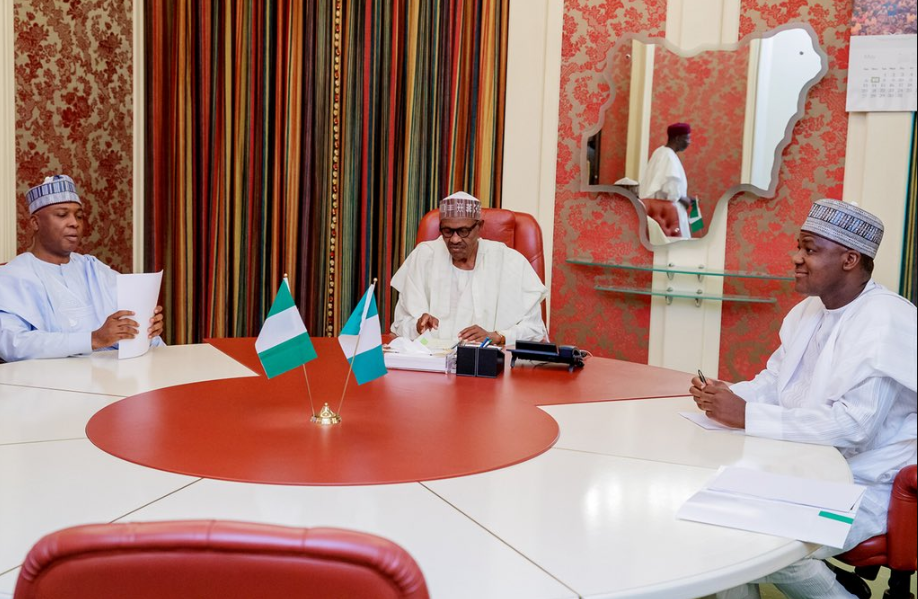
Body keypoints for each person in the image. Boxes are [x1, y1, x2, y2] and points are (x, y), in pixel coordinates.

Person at [690, 199, 917, 599]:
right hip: (802, 471)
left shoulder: (884, 321)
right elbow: (775, 381)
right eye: (799, 247)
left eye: (810, 250)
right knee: (717, 522)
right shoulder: (807, 313)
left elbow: (855, 428)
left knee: (764, 545)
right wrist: (725, 395)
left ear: (849, 258)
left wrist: (747, 416)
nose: (795, 258)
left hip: (861, 484)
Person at [0, 175, 165, 362]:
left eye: (79, 216)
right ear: (35, 223)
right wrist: (93, 339)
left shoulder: (93, 268)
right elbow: (13, 344)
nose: (74, 223)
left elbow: (129, 318)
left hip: (113, 378)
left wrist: (146, 329)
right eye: (62, 215)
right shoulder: (12, 276)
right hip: (50, 384)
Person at [390, 191, 548, 345]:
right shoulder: (423, 257)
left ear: (479, 227)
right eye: (447, 231)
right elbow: (399, 324)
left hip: (488, 364)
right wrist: (417, 326)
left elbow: (534, 330)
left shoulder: (509, 261)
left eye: (463, 231)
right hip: (432, 362)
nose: (455, 239)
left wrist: (497, 336)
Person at [639, 122, 697, 239]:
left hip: (661, 212)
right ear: (677, 138)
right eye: (687, 138)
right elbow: (670, 192)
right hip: (668, 215)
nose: (689, 142)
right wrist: (683, 198)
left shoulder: (661, 152)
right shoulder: (668, 157)